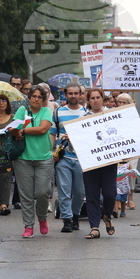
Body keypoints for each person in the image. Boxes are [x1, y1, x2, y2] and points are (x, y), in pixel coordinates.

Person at [11, 86, 55, 238]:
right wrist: (17, 131)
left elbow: (43, 129)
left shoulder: (46, 112)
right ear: (29, 98)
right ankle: (28, 226)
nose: (36, 99)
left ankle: (42, 218)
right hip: (23, 158)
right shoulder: (22, 111)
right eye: (33, 96)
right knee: (26, 195)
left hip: (44, 158)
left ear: (43, 100)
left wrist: (23, 130)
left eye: (39, 97)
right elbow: (12, 129)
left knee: (43, 192)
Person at [80, 87, 117, 239]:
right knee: (92, 194)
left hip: (109, 161)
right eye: (92, 98)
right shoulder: (82, 119)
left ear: (103, 99)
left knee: (110, 194)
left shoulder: (112, 115)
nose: (95, 100)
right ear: (88, 101)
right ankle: (94, 227)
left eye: (98, 97)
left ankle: (107, 215)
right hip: (90, 162)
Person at [53, 83, 87, 233]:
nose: (73, 96)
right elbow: (52, 134)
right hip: (63, 157)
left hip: (81, 158)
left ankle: (75, 215)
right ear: (66, 95)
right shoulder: (58, 113)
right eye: (70, 93)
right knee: (64, 190)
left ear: (80, 95)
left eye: (76, 93)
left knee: (80, 192)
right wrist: (52, 151)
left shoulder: (86, 113)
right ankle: (67, 220)